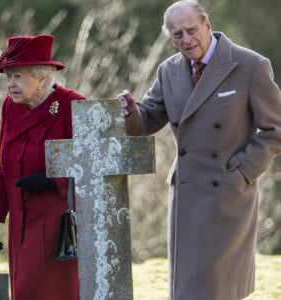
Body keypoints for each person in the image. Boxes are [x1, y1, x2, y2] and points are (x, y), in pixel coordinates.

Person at [117, 1, 281, 299]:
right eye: (177, 34)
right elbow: (149, 118)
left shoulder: (251, 65)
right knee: (190, 286)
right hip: (187, 192)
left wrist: (244, 170)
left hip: (228, 191)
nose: (186, 39)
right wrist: (130, 112)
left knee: (218, 286)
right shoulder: (169, 71)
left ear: (207, 24)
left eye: (191, 30)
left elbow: (276, 130)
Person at [0, 34, 86, 300]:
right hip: (21, 222)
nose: (10, 84)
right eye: (8, 76)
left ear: (42, 78)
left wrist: (53, 181)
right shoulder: (11, 107)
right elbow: (2, 167)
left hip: (56, 223)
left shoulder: (72, 105)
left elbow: (89, 166)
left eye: (18, 76)